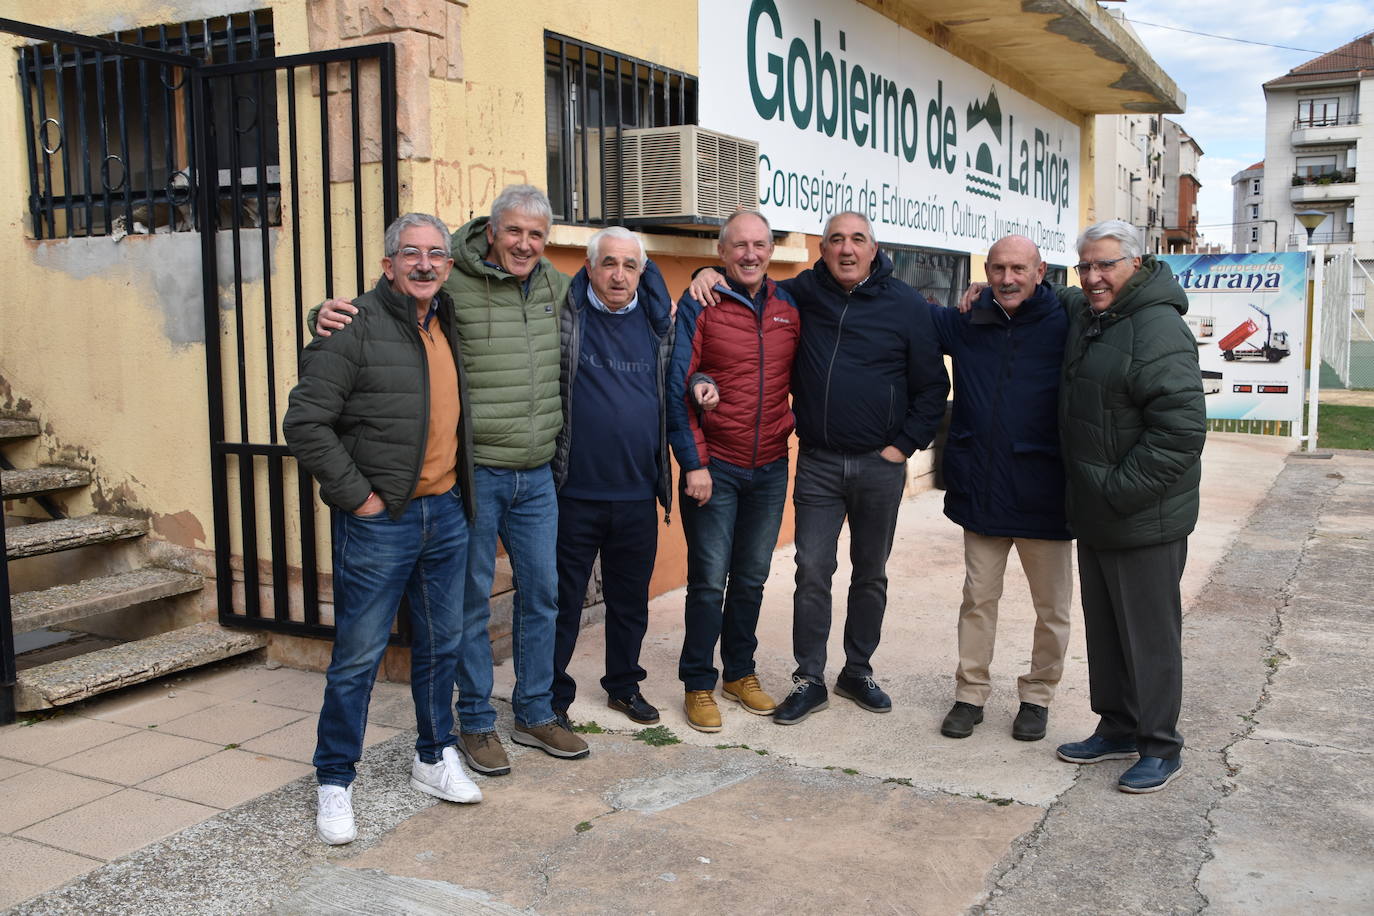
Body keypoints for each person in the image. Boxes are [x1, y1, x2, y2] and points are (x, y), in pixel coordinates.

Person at [313, 185, 587, 776]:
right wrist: (321, 314)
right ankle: (477, 724)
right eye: (513, 231)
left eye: (536, 235)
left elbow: (626, 294)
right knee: (468, 606)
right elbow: (377, 317)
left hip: (536, 473)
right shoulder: (451, 281)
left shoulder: (555, 286)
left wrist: (697, 275)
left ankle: (536, 711)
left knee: (542, 596)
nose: (524, 244)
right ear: (490, 231)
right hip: (475, 473)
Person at [689, 211, 949, 726]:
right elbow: (751, 276)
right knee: (812, 571)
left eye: (857, 240)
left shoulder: (906, 305)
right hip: (819, 463)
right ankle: (810, 679)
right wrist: (705, 272)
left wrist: (902, 448)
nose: (846, 249)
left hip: (881, 464)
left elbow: (932, 388)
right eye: (835, 240)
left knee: (870, 573)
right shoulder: (803, 293)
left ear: (875, 249)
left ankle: (857, 670)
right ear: (821, 251)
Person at [284, 212, 481, 846]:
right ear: (387, 263)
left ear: (449, 265)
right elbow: (305, 423)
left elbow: (498, 242)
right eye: (411, 253)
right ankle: (335, 779)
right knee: (359, 657)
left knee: (440, 646)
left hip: (446, 513)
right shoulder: (352, 327)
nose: (425, 264)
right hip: (381, 521)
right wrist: (360, 499)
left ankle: (432, 755)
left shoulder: (448, 319)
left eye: (437, 254)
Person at [1052, 219, 1205, 793]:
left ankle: (1161, 746)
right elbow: (1062, 294)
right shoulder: (1097, 315)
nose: (1093, 277)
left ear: (1135, 265)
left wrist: (1117, 491)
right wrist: (1000, 286)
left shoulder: (1158, 328)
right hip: (1098, 511)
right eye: (1085, 265)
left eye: (1106, 265)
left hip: (1142, 515)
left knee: (1150, 636)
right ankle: (1116, 726)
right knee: (1110, 631)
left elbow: (1181, 433)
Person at [930, 235, 1072, 743]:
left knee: (1051, 609)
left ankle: (1037, 697)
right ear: (985, 272)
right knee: (977, 599)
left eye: (1018, 269)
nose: (1007, 279)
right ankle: (970, 694)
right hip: (983, 489)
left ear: (1041, 271)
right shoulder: (968, 320)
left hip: (1046, 493)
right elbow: (900, 312)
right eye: (997, 269)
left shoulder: (1067, 321)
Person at [668, 210, 799, 733]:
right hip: (714, 468)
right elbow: (679, 387)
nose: (750, 254)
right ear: (720, 254)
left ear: (770, 251)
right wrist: (694, 464)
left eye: (759, 245)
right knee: (707, 583)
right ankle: (698, 683)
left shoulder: (790, 304)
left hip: (769, 465)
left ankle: (739, 673)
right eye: (738, 245)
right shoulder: (701, 302)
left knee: (751, 579)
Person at [551, 226, 676, 726]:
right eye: (609, 263)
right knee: (559, 604)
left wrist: (705, 384)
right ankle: (550, 696)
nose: (618, 274)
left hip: (636, 494)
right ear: (590, 267)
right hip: (572, 493)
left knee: (629, 603)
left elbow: (687, 373)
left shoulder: (657, 322)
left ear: (642, 272)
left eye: (629, 265)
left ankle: (623, 686)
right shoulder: (563, 314)